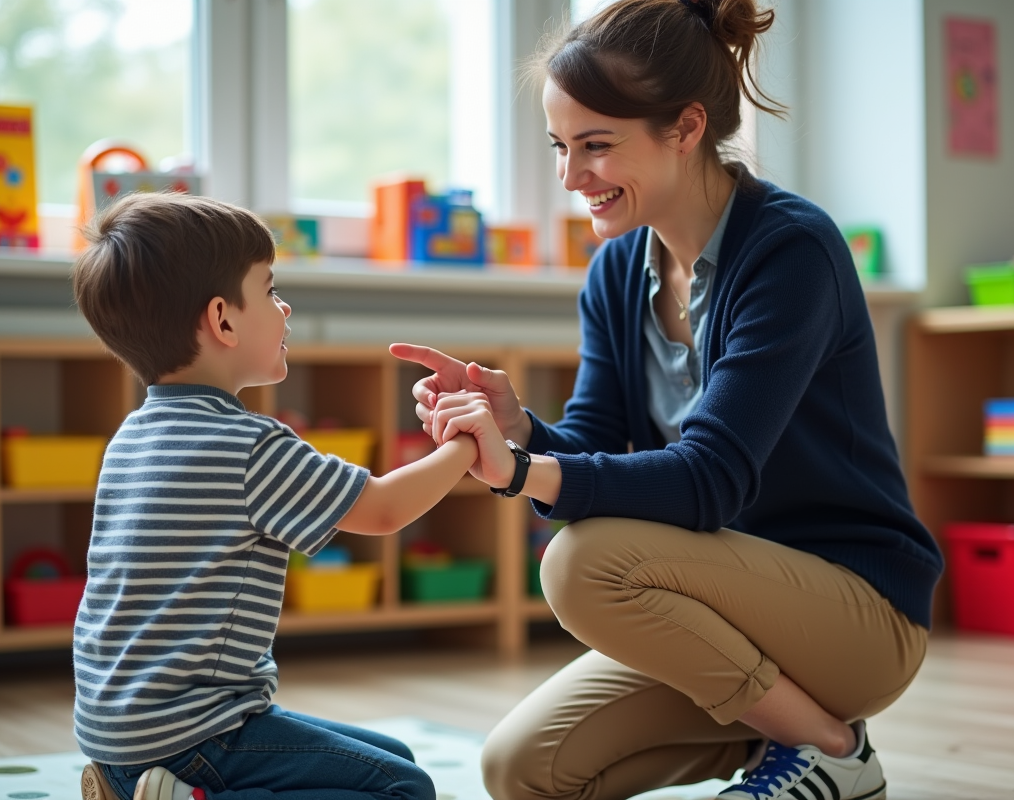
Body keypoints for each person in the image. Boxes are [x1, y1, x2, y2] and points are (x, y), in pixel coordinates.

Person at [391, 1, 943, 799]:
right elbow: (597, 442)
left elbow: (708, 480)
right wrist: (522, 431)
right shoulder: (617, 272)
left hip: (857, 614)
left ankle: (833, 751)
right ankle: (780, 740)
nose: (570, 177)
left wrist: (521, 472)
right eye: (559, 146)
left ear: (684, 128)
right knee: (521, 770)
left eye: (596, 145)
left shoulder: (790, 250)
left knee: (580, 563)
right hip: (718, 614)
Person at [70, 193, 511, 800]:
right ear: (223, 320)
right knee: (404, 788)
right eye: (270, 290)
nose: (285, 307)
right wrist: (468, 438)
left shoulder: (132, 436)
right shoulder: (248, 445)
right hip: (199, 734)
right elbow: (383, 508)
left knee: (395, 757)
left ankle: (141, 788)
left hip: (121, 734)